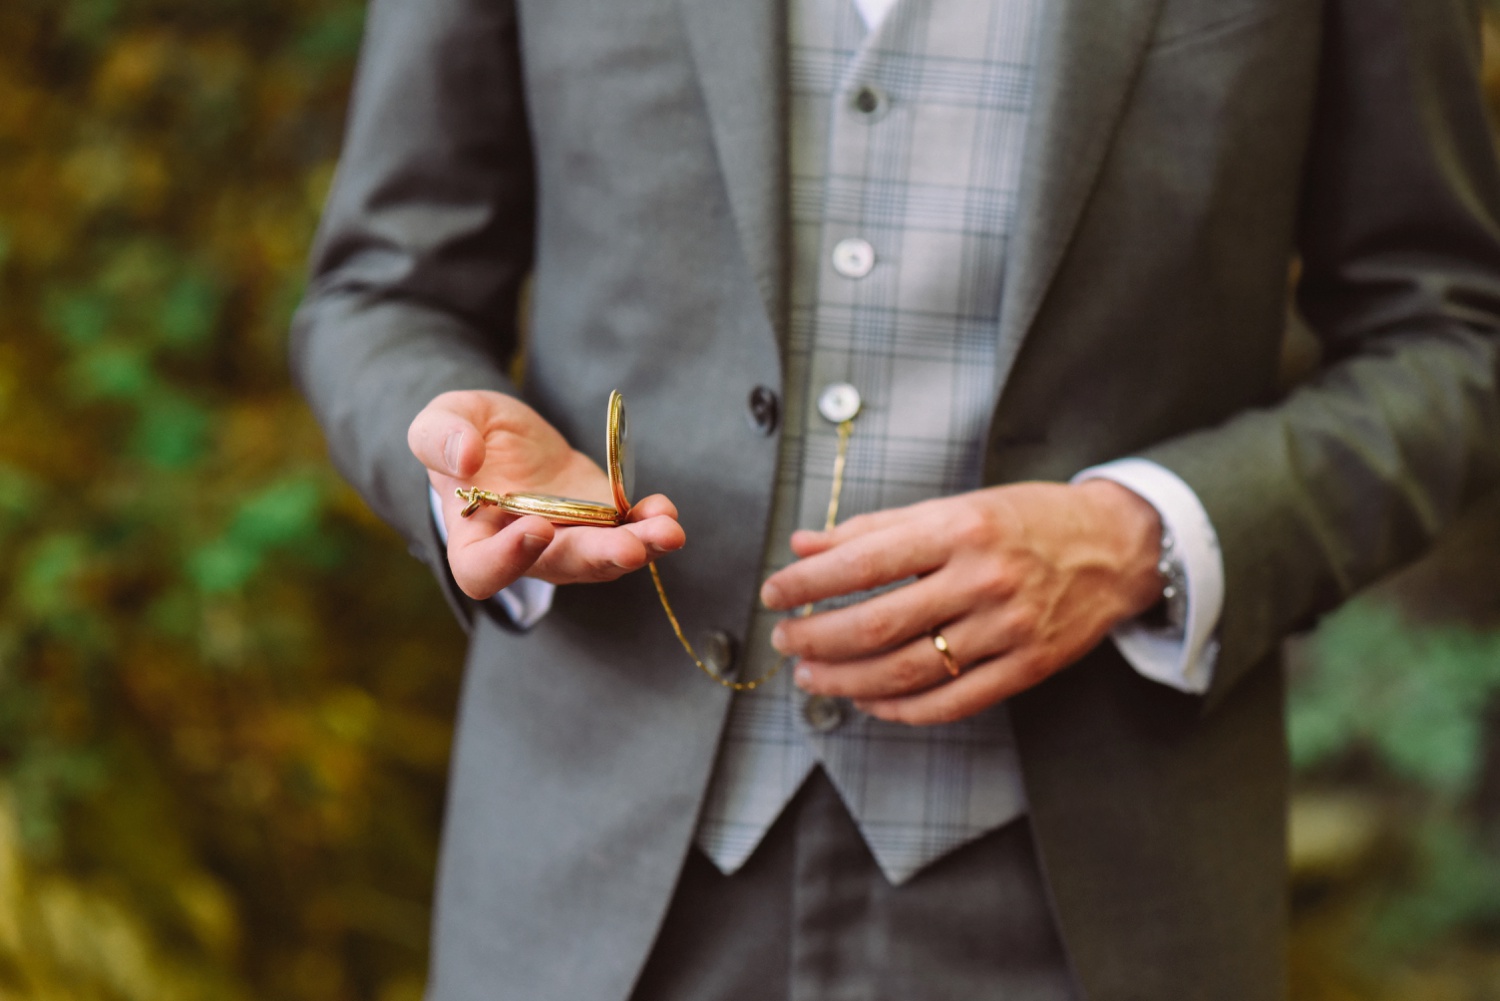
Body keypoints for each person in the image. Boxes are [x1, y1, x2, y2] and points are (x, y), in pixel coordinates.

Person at [291, 0, 1500, 996]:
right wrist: (468, 466)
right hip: (590, 892)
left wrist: (1147, 535)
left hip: (1100, 901)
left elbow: (1449, 335)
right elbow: (378, 292)